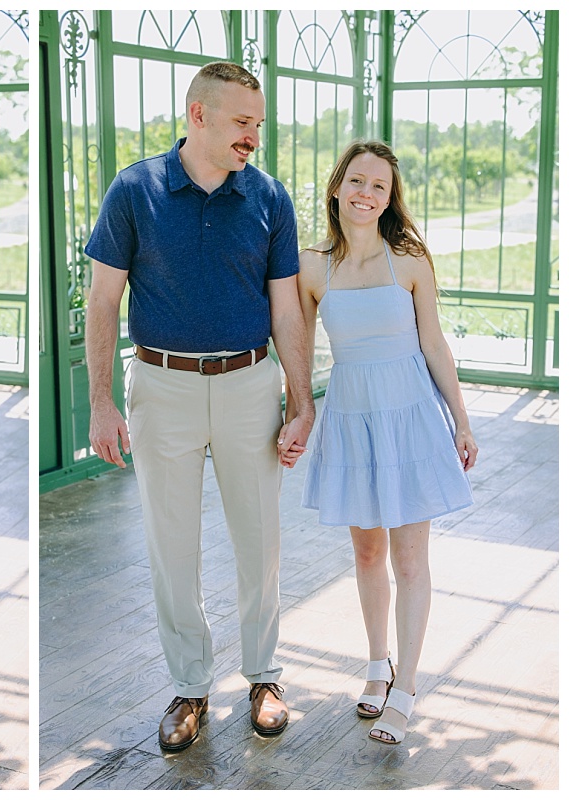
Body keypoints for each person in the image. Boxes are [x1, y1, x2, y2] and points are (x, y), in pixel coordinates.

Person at [84, 61, 315, 752]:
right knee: (171, 546)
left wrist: (301, 403)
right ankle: (189, 688)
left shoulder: (270, 198)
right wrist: (101, 403)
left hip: (251, 384)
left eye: (259, 124)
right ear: (199, 115)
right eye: (243, 122)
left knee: (259, 544)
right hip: (162, 386)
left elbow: (287, 311)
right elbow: (102, 301)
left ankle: (264, 677)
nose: (253, 136)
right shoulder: (134, 189)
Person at [292, 140, 477, 745]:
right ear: (337, 187)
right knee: (367, 554)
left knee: (411, 561)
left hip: (410, 419)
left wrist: (462, 419)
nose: (366, 194)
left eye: (379, 186)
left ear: (389, 198)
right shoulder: (313, 267)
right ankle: (376, 666)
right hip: (352, 418)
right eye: (357, 181)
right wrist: (298, 411)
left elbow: (435, 346)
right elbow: (291, 345)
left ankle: (407, 688)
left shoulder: (411, 262)